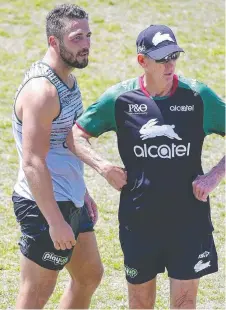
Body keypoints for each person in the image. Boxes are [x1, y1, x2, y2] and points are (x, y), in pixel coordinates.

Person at [68, 24, 225, 309]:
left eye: (174, 56)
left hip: (189, 221)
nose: (170, 64)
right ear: (143, 61)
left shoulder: (198, 96)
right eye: (162, 58)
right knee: (140, 303)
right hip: (139, 220)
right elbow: (76, 135)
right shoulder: (120, 99)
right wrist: (104, 167)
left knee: (184, 303)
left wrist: (215, 175)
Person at [12, 4, 103, 309]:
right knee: (37, 292)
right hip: (44, 204)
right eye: (77, 37)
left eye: (88, 35)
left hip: (69, 196)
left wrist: (83, 191)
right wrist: (54, 221)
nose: (86, 43)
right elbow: (32, 161)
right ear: (54, 41)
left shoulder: (68, 79)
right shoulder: (42, 91)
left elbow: (65, 144)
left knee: (89, 275)